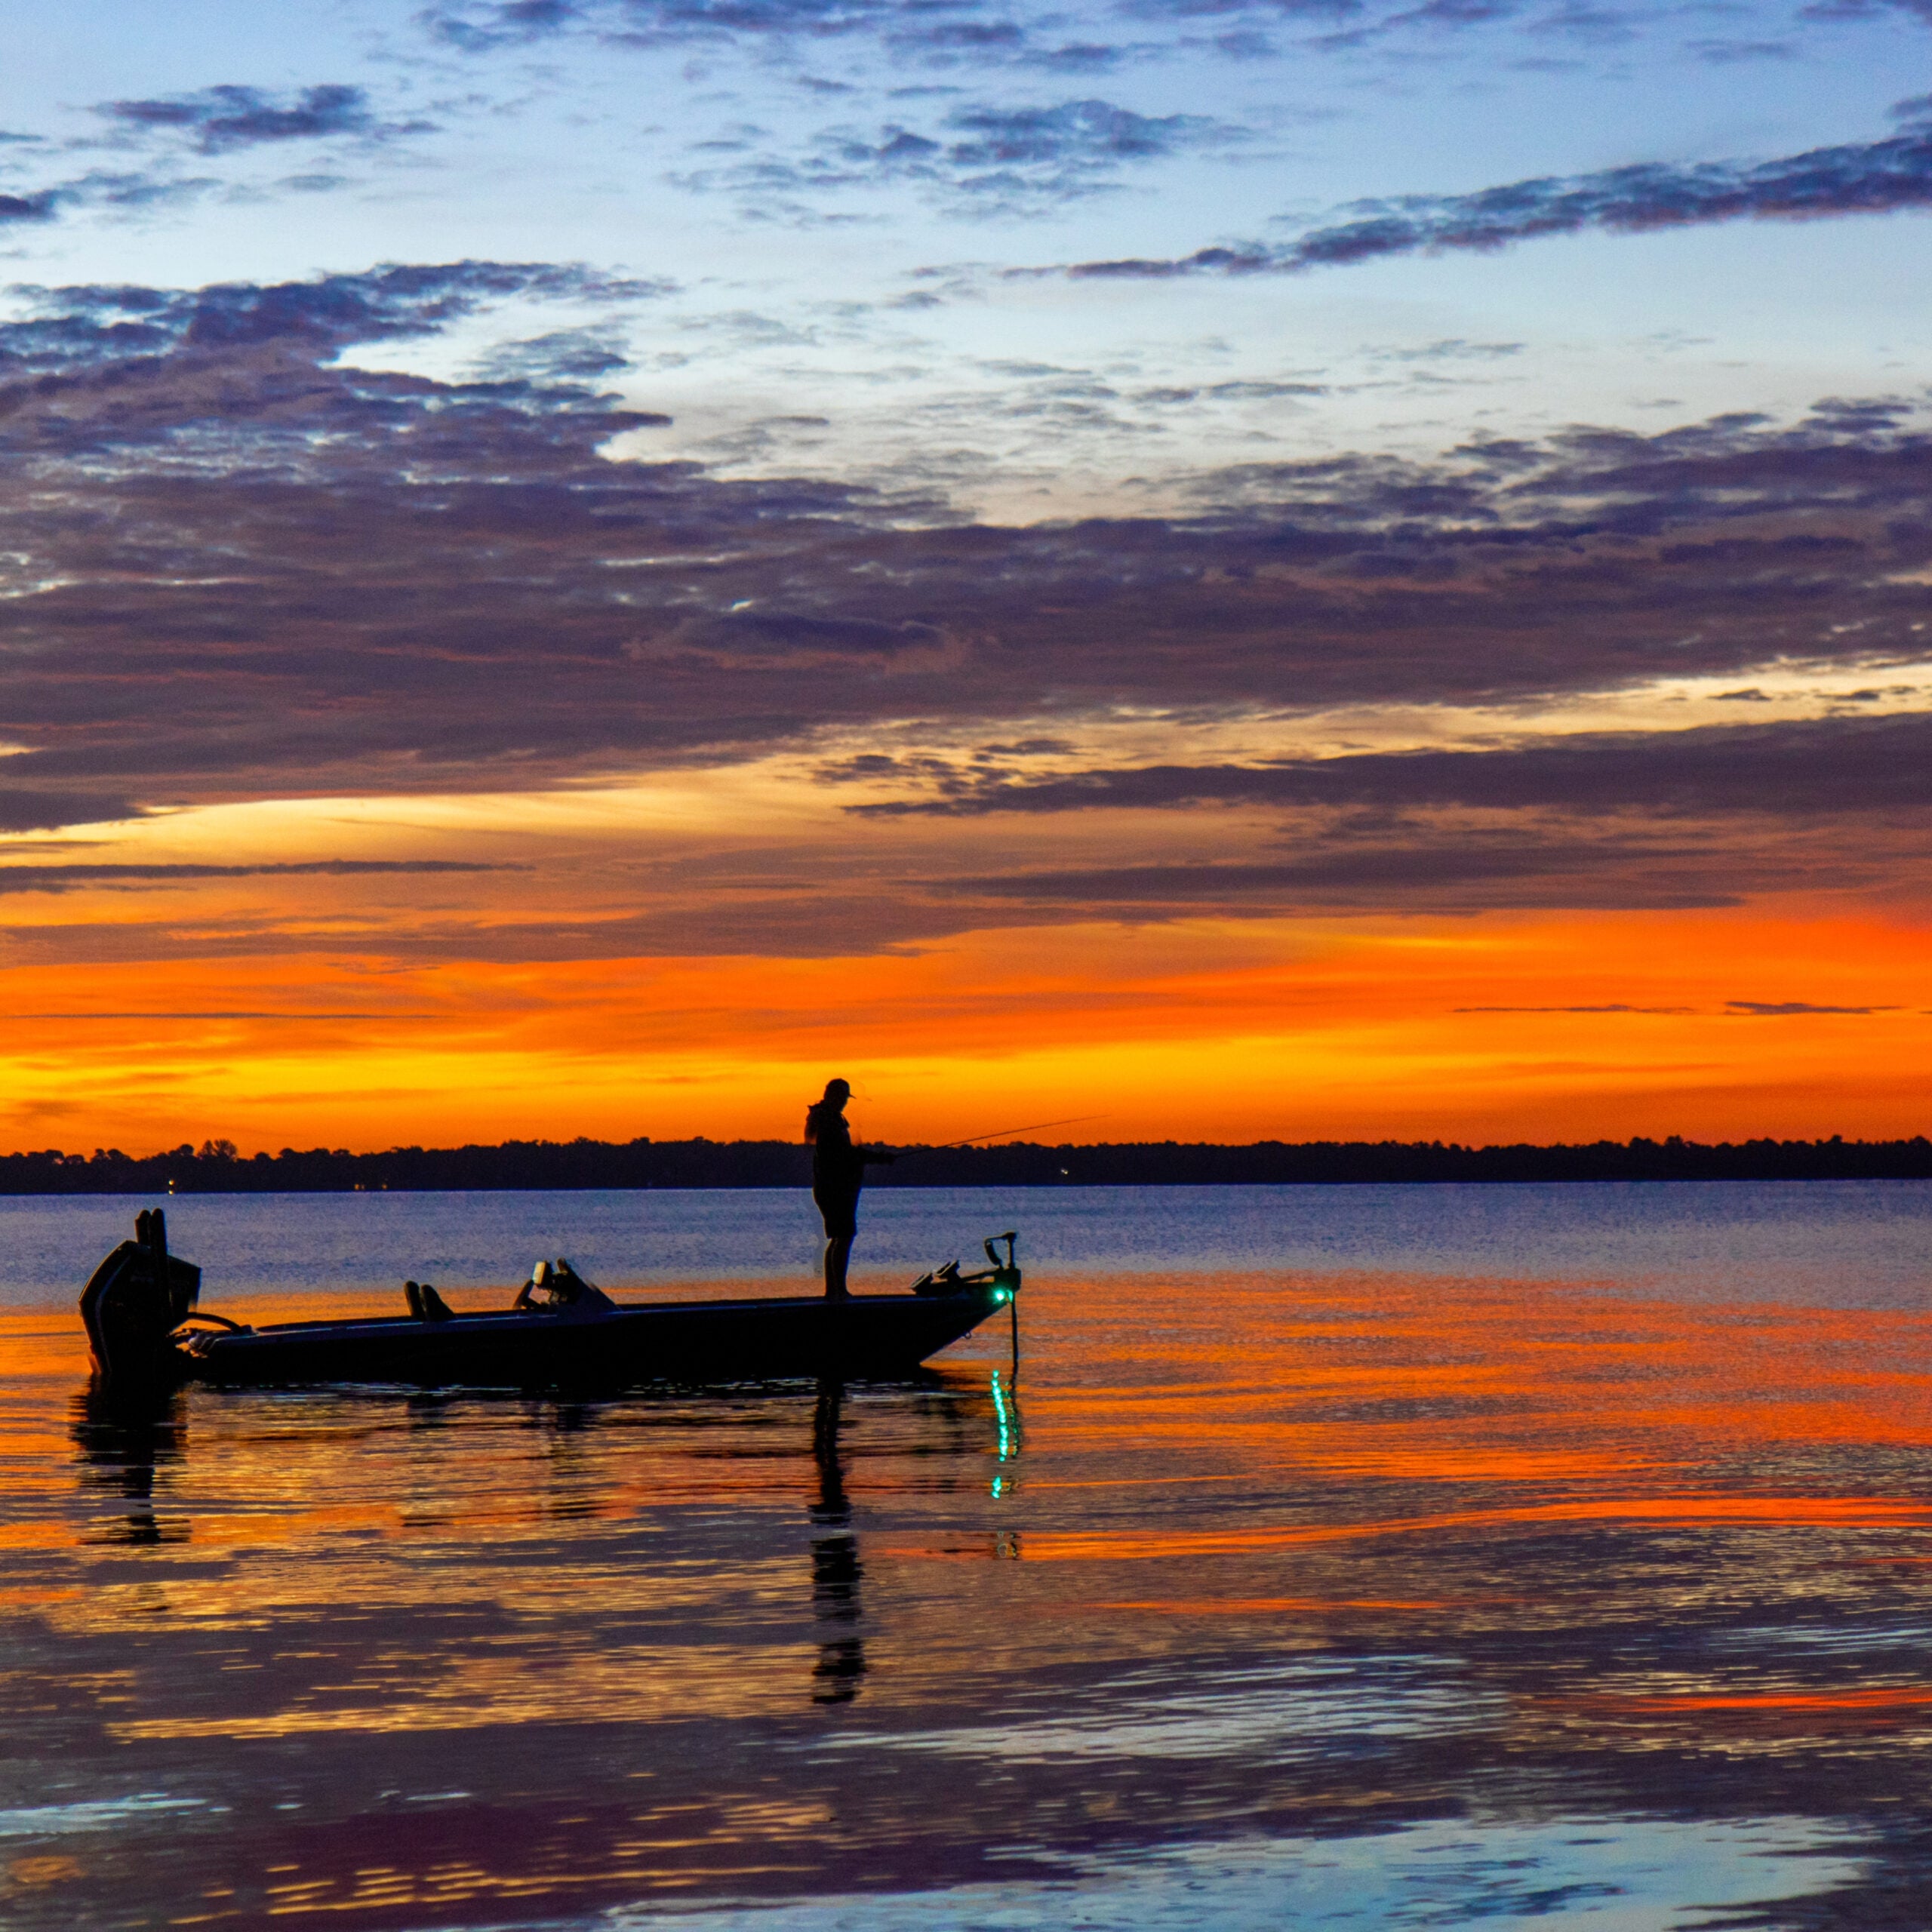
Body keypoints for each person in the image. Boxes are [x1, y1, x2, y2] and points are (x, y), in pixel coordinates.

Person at [804, 1078, 895, 1298]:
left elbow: (847, 1153)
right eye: (843, 1097)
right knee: (843, 1236)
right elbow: (845, 1154)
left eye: (846, 1098)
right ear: (833, 1096)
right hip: (835, 1189)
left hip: (833, 1188)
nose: (845, 1102)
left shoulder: (826, 1118)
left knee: (838, 1237)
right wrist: (879, 1158)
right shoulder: (828, 1121)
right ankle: (839, 1291)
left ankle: (833, 1291)